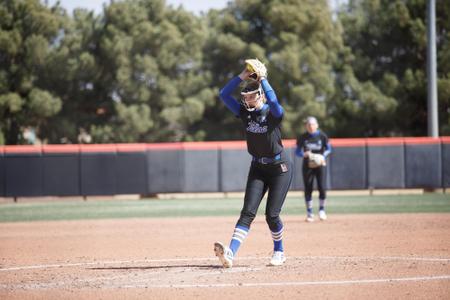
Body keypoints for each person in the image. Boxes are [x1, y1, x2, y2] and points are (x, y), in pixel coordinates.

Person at [214, 61, 293, 268]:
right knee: (247, 212)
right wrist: (242, 75)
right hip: (258, 167)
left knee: (271, 214)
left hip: (279, 168)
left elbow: (274, 101)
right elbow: (223, 94)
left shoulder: (273, 113)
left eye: (252, 96)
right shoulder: (244, 113)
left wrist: (264, 79)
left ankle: (279, 251)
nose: (248, 100)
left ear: (261, 95)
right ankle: (230, 253)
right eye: (246, 97)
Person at [295, 116, 332, 222]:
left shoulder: (322, 136)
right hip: (308, 165)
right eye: (308, 124)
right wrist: (304, 154)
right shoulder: (303, 137)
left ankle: (321, 210)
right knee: (308, 188)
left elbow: (329, 149)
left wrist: (322, 156)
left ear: (317, 125)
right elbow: (297, 152)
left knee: (322, 187)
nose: (310, 126)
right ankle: (310, 213)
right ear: (306, 126)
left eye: (312, 124)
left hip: (320, 164)